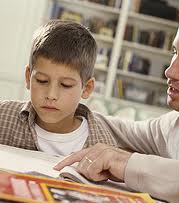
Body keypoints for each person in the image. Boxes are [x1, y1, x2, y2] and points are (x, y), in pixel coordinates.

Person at [54, 0, 179, 203]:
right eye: (175, 52)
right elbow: (117, 129)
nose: (170, 71)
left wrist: (131, 165)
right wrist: (54, 105)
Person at [0, 20, 118, 155]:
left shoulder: (103, 146)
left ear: (86, 88)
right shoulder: (3, 116)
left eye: (65, 85)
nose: (51, 95)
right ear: (28, 78)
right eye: (42, 81)